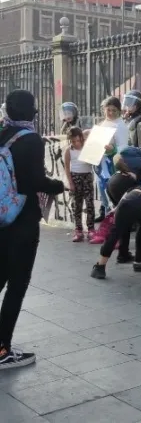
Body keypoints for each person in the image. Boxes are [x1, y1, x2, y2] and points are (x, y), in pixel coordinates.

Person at [0, 89, 64, 369]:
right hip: (22, 219)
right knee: (17, 284)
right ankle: (2, 350)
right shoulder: (31, 139)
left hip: (1, 219)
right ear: (31, 113)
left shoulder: (2, 134)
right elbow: (35, 181)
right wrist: (57, 185)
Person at [92, 96, 130, 225]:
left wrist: (113, 150)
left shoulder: (120, 126)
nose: (111, 113)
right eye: (109, 110)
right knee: (102, 190)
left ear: (119, 111)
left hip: (112, 164)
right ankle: (106, 213)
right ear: (104, 110)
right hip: (101, 163)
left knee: (113, 191)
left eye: (114, 110)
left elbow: (123, 147)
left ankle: (119, 217)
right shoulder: (103, 124)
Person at [64, 127, 95, 242]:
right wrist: (70, 182)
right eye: (73, 141)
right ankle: (78, 230)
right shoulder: (69, 150)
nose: (76, 143)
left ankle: (91, 229)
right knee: (77, 204)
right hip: (75, 176)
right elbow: (67, 167)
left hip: (87, 175)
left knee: (89, 203)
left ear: (82, 138)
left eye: (78, 140)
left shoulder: (87, 148)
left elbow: (94, 161)